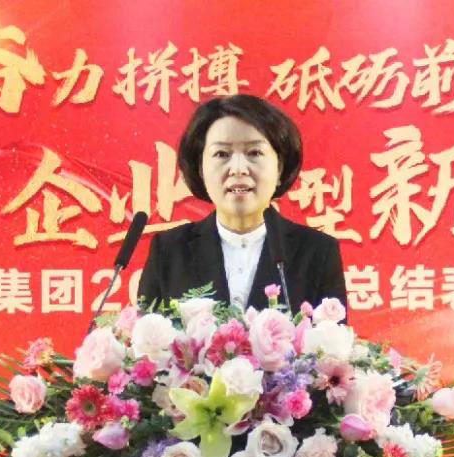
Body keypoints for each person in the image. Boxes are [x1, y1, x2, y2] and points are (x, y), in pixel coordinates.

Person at [137, 94, 347, 313]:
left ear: (279, 168)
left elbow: (332, 334)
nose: (238, 168)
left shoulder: (317, 252)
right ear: (201, 169)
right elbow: (145, 331)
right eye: (222, 154)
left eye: (254, 152)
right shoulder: (169, 250)